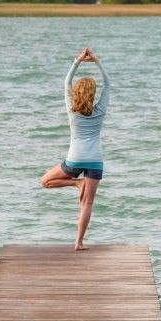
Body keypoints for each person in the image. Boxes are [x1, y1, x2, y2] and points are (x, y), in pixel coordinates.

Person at [40, 47, 109, 251]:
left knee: (45, 181)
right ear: (93, 94)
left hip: (74, 160)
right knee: (87, 205)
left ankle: (76, 183)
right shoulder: (100, 110)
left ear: (76, 93)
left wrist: (77, 61)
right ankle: (78, 243)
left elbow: (66, 82)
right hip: (95, 161)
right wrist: (97, 61)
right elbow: (109, 84)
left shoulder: (72, 110)